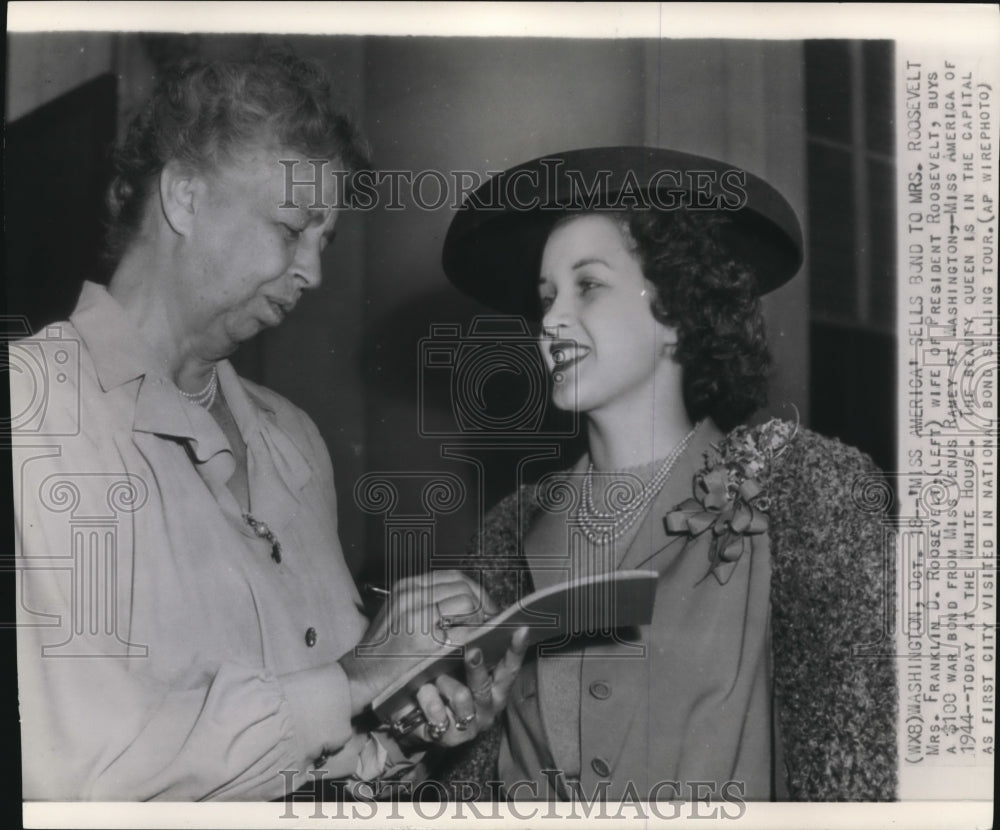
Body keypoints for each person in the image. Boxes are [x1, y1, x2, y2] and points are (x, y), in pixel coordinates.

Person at [11, 52, 526, 801]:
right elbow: (77, 781)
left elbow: (325, 749)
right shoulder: (39, 407)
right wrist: (353, 678)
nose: (313, 273)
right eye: (291, 228)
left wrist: (414, 718)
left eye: (326, 240)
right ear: (184, 198)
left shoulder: (292, 439)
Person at [434, 146, 897, 801]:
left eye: (587, 285)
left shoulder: (798, 502)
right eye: (546, 297)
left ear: (678, 312)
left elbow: (864, 769)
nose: (551, 320)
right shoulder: (510, 540)